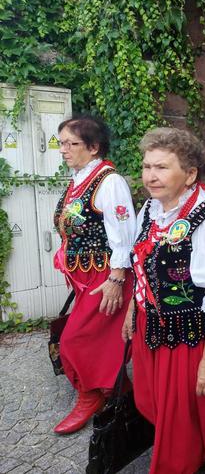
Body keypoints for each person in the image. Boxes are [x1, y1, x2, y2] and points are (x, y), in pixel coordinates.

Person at [122, 127, 205, 473]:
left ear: (190, 174)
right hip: (151, 329)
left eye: (161, 167)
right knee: (152, 403)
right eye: (146, 167)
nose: (150, 176)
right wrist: (133, 308)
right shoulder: (150, 210)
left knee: (185, 420)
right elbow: (141, 262)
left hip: (191, 339)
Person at [52, 115, 136, 434]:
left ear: (94, 146)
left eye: (71, 143)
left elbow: (124, 234)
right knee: (101, 341)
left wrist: (115, 280)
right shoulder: (79, 178)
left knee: (74, 341)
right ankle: (120, 391)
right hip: (86, 276)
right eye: (61, 143)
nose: (63, 149)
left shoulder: (109, 181)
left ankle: (90, 396)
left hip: (106, 278)